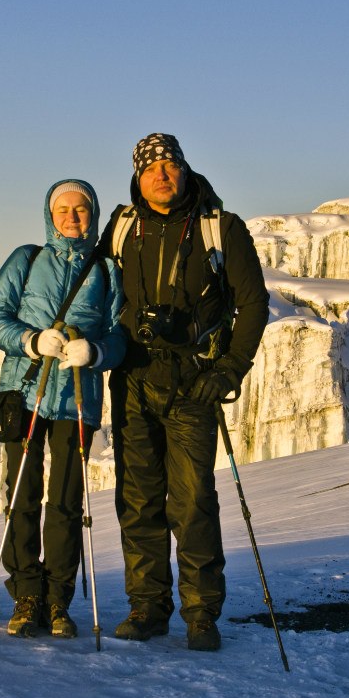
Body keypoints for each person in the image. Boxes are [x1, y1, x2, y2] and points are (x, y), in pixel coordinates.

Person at [97, 133, 269, 652]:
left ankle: (200, 614)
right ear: (137, 177)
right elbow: (94, 291)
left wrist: (229, 371)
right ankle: (147, 606)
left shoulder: (223, 229)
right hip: (133, 378)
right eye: (151, 169)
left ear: (186, 170)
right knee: (138, 499)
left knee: (193, 501)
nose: (162, 175)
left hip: (195, 382)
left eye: (170, 165)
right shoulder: (122, 227)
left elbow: (253, 304)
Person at [0, 179, 125, 638]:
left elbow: (121, 332)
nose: (71, 218)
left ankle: (57, 597)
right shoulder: (26, 259)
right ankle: (26, 593)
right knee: (22, 494)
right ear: (49, 215)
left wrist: (97, 352)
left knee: (65, 501)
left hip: (77, 400)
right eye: (62, 210)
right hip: (24, 393)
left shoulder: (107, 270)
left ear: (93, 214)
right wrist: (30, 341)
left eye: (80, 210)